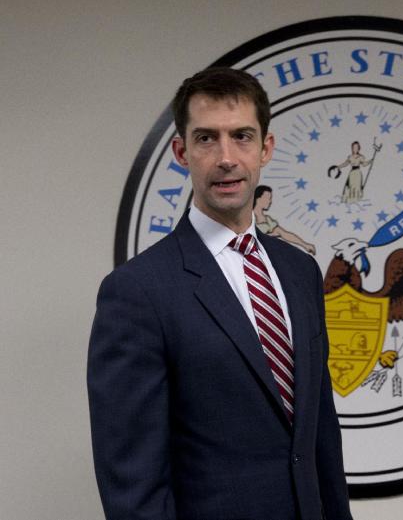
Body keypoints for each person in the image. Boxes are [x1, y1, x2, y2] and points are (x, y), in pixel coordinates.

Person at [87, 67, 353, 520]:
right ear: (181, 151)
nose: (226, 157)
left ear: (266, 148)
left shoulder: (300, 271)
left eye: (242, 136)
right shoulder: (136, 291)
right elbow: (132, 482)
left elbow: (321, 434)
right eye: (207, 138)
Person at [254, 185, 316, 255]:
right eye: (268, 198)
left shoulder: (268, 220)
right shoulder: (247, 217)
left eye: (270, 198)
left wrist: (305, 245)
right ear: (258, 198)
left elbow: (284, 234)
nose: (270, 201)